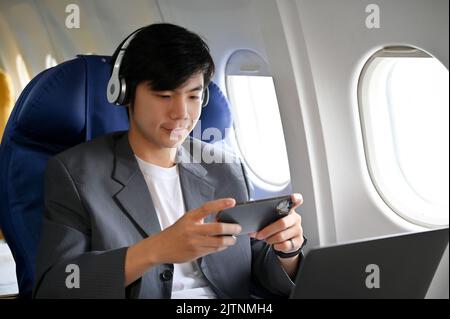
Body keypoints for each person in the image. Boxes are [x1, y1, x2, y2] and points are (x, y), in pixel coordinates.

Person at [33, 23, 306, 299]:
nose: (181, 113)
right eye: (164, 96)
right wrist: (155, 250)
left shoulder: (226, 168)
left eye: (194, 96)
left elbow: (264, 277)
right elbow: (58, 286)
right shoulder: (76, 174)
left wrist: (288, 250)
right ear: (125, 94)